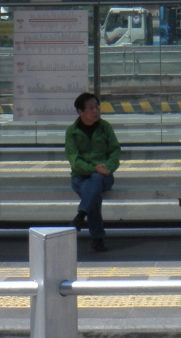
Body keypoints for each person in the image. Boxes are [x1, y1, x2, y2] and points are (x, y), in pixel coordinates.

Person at [65, 92, 121, 252]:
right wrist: (92, 169)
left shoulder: (105, 127)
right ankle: (97, 238)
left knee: (95, 181)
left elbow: (115, 151)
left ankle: (81, 215)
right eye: (90, 108)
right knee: (93, 192)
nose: (95, 111)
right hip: (80, 177)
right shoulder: (72, 132)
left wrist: (108, 167)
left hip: (104, 176)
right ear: (80, 112)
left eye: (96, 107)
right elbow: (74, 160)